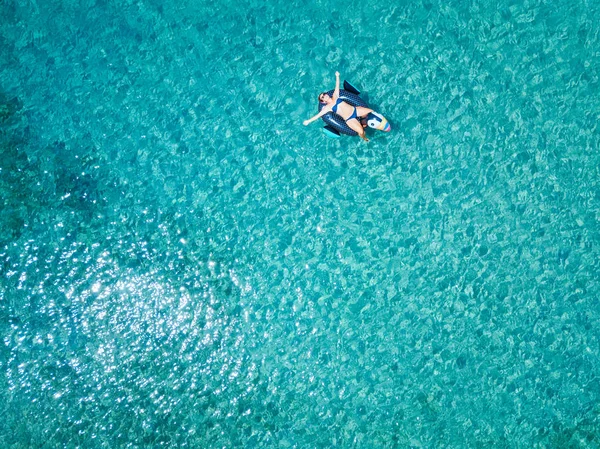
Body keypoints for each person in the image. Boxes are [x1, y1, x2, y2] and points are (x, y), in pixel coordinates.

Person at [303, 71, 373, 142]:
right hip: (349, 119)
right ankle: (365, 139)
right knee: (361, 132)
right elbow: (318, 115)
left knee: (371, 111)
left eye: (324, 94)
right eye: (323, 97)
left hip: (355, 110)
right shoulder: (327, 107)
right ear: (323, 101)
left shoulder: (335, 95)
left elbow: (337, 85)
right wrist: (308, 121)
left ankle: (369, 122)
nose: (325, 95)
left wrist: (337, 76)